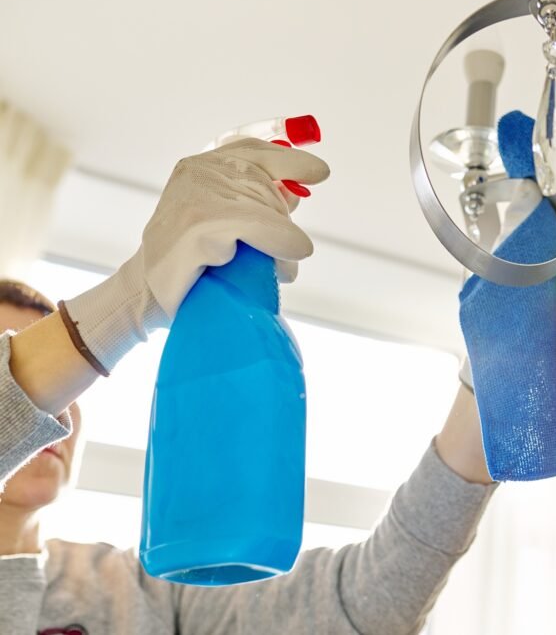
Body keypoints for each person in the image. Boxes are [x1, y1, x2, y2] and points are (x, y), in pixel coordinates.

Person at [0, 139, 496, 634]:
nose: (58, 411)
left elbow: (360, 605)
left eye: (62, 387)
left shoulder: (134, 590)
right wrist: (124, 303)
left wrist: (488, 381)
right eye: (36, 376)